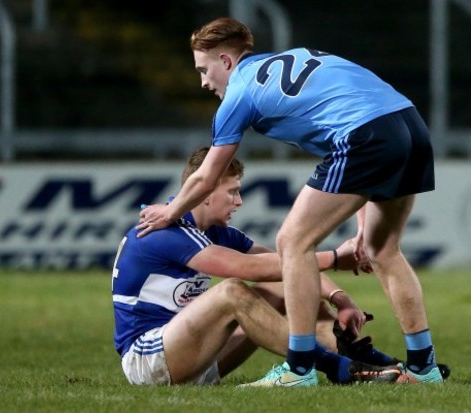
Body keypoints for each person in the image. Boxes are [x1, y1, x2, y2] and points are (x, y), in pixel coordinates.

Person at [136, 17, 443, 385]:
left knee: (292, 242)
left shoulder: (240, 93)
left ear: (227, 61)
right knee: (382, 249)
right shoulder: (296, 58)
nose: (204, 81)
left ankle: (299, 368)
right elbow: (352, 127)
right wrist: (361, 227)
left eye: (205, 70)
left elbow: (206, 177)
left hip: (367, 136)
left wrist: (169, 211)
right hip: (409, 124)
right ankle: (423, 366)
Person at [112, 147, 403, 386]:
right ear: (205, 191)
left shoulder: (213, 231)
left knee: (280, 285)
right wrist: (336, 258)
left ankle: (376, 365)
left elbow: (287, 262)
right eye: (233, 192)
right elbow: (248, 268)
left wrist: (338, 297)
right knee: (232, 292)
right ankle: (338, 369)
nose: (239, 201)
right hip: (148, 361)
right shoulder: (165, 231)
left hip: (189, 354)